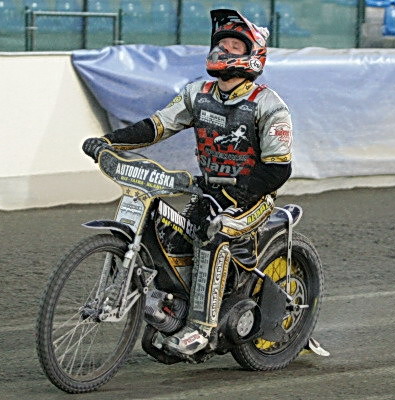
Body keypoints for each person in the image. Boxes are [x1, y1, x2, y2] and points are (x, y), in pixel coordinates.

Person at [82, 9, 293, 356]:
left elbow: (279, 170)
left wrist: (240, 190)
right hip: (207, 191)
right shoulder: (198, 93)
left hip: (253, 200)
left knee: (215, 233)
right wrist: (108, 141)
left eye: (234, 46)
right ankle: (169, 308)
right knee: (170, 235)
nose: (223, 50)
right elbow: (157, 125)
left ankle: (201, 328)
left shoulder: (268, 105)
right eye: (220, 44)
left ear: (253, 55)